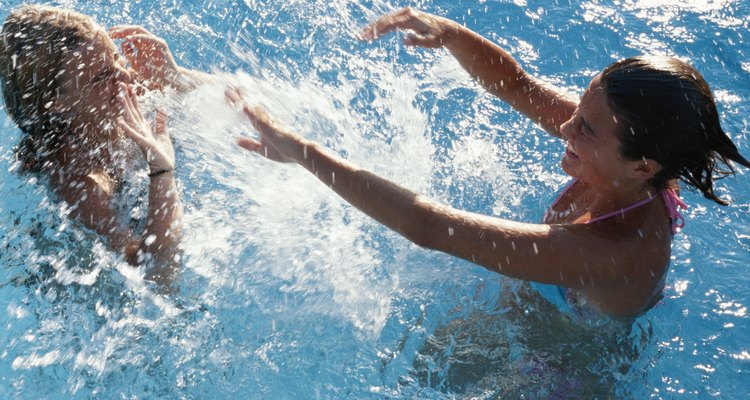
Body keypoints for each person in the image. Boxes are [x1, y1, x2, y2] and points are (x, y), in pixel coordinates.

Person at [228, 7, 750, 319]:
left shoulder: (617, 252)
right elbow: (519, 87)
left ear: (643, 166)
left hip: (564, 367)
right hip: (550, 299)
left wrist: (303, 152)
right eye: (579, 110)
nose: (566, 125)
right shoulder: (630, 155)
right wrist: (450, 32)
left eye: (585, 127)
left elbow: (427, 226)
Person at [0, 5, 208, 286]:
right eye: (100, 77)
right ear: (58, 104)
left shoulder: (121, 92)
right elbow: (156, 274)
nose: (125, 78)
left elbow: (247, 104)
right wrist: (162, 173)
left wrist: (175, 76)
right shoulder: (80, 183)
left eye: (116, 58)